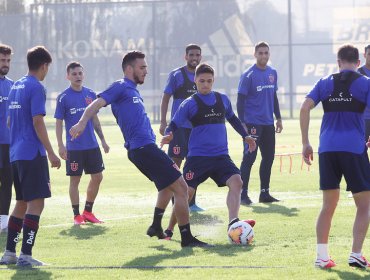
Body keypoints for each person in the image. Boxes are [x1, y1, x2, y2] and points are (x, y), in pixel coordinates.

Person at [69, 50, 210, 248]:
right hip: (142, 148)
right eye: (142, 67)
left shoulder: (133, 90)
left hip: (146, 147)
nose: (146, 71)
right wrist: (82, 122)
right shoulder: (120, 86)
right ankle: (187, 239)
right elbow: (96, 103)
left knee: (167, 187)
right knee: (182, 188)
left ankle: (155, 225)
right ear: (129, 69)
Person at [160, 63, 257, 240]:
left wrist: (246, 136)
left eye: (209, 81)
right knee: (186, 194)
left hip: (221, 156)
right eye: (202, 81)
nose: (205, 84)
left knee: (237, 182)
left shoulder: (222, 99)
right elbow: (174, 123)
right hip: (198, 158)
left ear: (214, 81)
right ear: (195, 80)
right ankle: (169, 229)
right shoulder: (190, 104)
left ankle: (233, 222)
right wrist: (168, 135)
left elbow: (233, 119)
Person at [300, 44, 370, 269]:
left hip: (327, 149)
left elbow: (304, 107)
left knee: (328, 205)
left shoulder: (324, 82)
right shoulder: (365, 83)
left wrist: (305, 142)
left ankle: (322, 256)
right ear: (358, 63)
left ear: (338, 62)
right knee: (365, 204)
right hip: (353, 148)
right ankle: (356, 254)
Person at [0, 46, 61, 266]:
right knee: (36, 204)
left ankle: (9, 253)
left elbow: (8, 121)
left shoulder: (15, 86)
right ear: (44, 66)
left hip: (15, 153)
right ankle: (25, 254)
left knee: (21, 203)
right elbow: (38, 121)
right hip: (32, 154)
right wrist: (52, 153)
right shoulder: (36, 87)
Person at [55, 62, 109, 225]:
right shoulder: (63, 97)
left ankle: (88, 211)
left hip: (92, 146)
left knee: (98, 177)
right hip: (74, 148)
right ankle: (76, 215)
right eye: (74, 74)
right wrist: (60, 145)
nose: (78, 76)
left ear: (83, 75)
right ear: (68, 76)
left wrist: (103, 140)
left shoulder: (90, 94)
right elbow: (58, 123)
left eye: (80, 73)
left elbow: (94, 119)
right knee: (75, 181)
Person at [237, 41, 283, 205]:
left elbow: (274, 97)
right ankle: (242, 194)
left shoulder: (273, 72)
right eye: (261, 53)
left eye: (266, 53)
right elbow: (240, 100)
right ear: (255, 54)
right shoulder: (248, 75)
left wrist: (278, 117)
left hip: (268, 123)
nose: (264, 56)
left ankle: (264, 193)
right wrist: (242, 123)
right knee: (249, 158)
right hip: (252, 124)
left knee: (269, 157)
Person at [160, 44, 204, 212]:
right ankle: (174, 202)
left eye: (197, 55)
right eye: (191, 54)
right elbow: (165, 98)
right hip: (179, 128)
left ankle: (191, 203)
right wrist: (163, 122)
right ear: (185, 56)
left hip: (197, 129)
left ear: (201, 57)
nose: (194, 57)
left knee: (195, 164)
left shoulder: (203, 75)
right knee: (175, 165)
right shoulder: (176, 75)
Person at [0, 44, 14, 234]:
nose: (6, 64)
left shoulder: (12, 85)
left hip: (9, 144)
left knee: (7, 181)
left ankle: (3, 221)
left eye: (8, 60)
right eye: (2, 60)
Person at [358, 44, 370, 140]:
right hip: (363, 118)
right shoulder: (358, 73)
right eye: (369, 54)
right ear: (364, 55)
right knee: (361, 149)